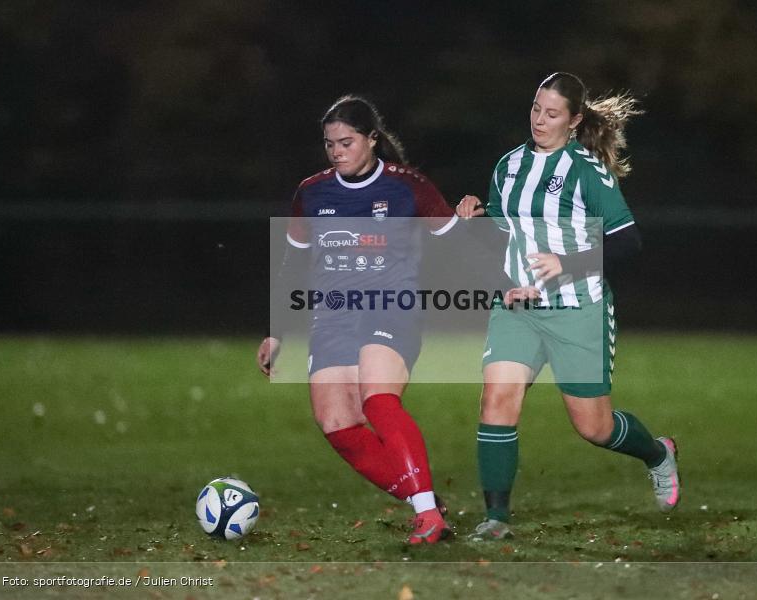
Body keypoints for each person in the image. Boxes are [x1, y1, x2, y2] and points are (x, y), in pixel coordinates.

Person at [455, 72, 681, 541]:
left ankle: (657, 454)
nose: (540, 119)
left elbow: (628, 242)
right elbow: (505, 227)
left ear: (574, 121)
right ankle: (496, 518)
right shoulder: (509, 165)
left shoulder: (586, 171)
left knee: (594, 427)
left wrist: (567, 263)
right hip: (516, 306)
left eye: (552, 113)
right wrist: (476, 217)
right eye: (536, 108)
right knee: (497, 400)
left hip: (579, 310)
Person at [257, 95, 458, 544]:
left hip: (391, 306)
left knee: (378, 400)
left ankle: (428, 515)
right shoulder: (312, 192)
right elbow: (293, 265)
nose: (337, 151)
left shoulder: (408, 186)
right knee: (337, 424)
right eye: (330, 144)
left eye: (346, 142)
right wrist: (276, 331)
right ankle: (423, 499)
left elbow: (459, 241)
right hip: (331, 317)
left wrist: (505, 282)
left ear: (372, 139)